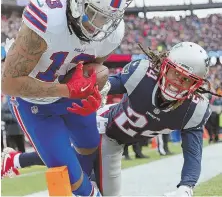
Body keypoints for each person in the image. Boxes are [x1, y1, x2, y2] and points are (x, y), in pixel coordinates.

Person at [3, 42, 222, 196]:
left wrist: (186, 188)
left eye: (186, 79)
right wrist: (100, 90)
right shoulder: (142, 74)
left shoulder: (194, 110)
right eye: (175, 73)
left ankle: (15, 160)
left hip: (118, 141)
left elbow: (193, 153)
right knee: (79, 173)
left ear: (196, 85)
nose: (177, 82)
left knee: (67, 157)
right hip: (103, 127)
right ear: (164, 67)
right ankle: (15, 161)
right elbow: (112, 84)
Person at [1, 0, 129, 196]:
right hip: (34, 103)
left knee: (90, 146)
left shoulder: (112, 33)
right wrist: (66, 90)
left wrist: (94, 94)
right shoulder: (47, 18)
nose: (100, 25)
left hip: (70, 96)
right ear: (77, 1)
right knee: (76, 182)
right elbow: (9, 83)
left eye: (108, 18)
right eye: (95, 13)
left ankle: (17, 160)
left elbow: (90, 70)